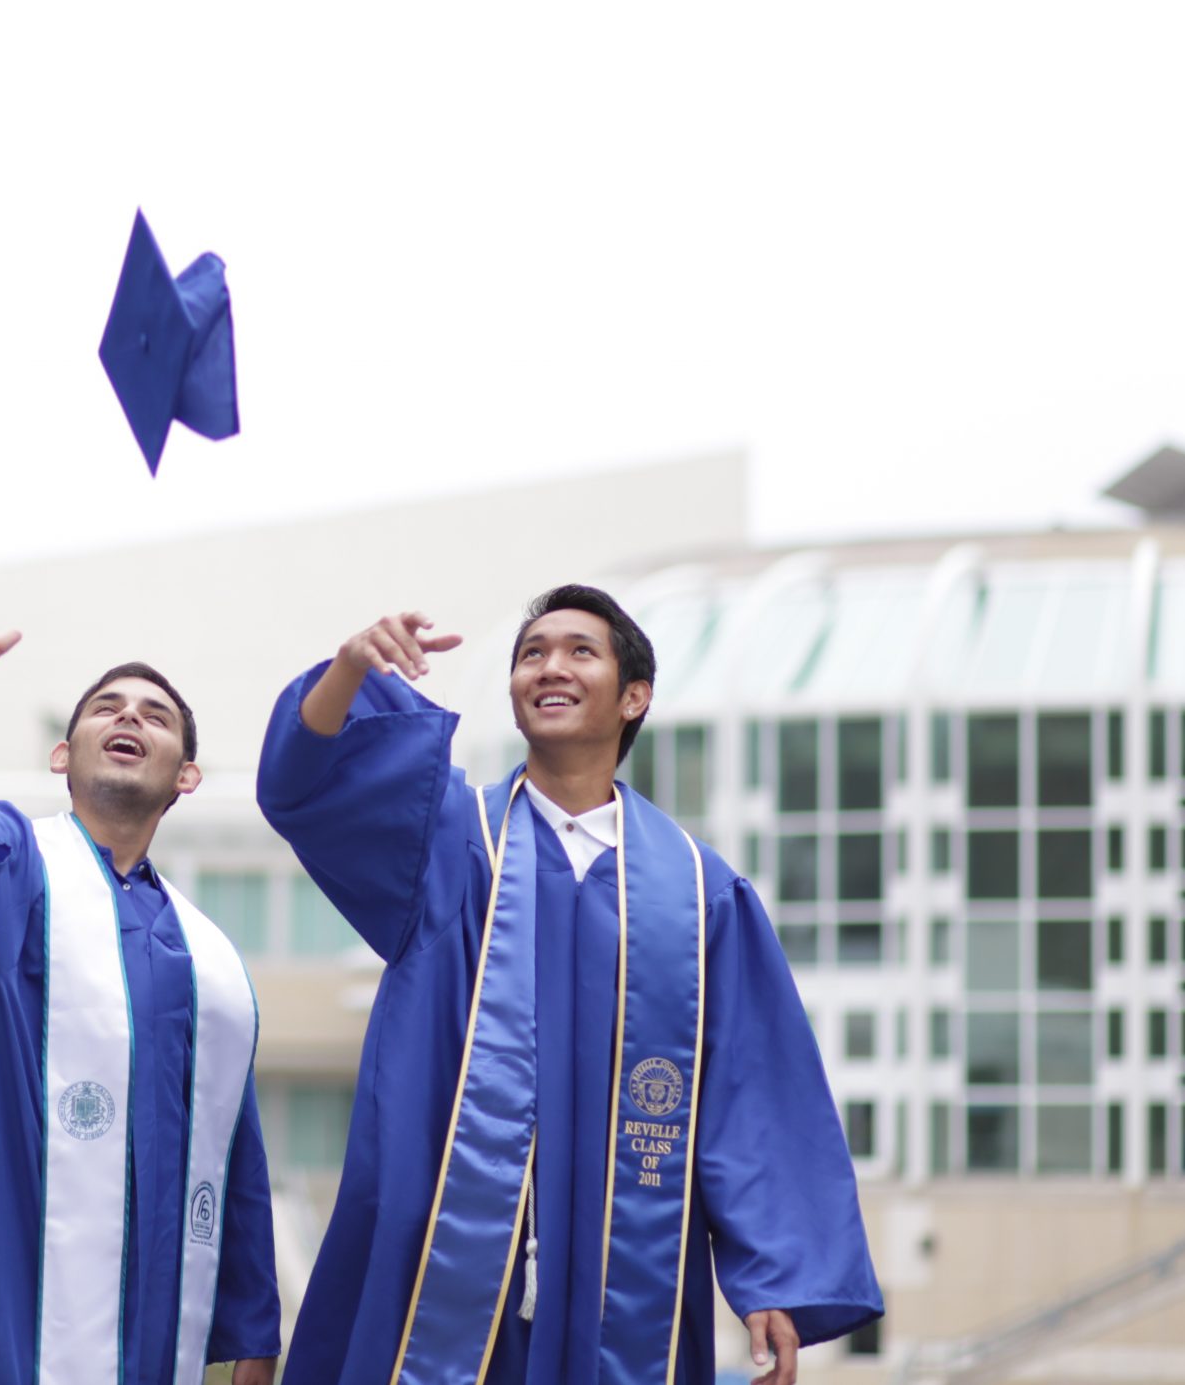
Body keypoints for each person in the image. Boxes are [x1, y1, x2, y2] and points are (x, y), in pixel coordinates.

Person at [257, 583, 881, 1385]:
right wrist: (348, 669)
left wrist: (776, 1279)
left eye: (579, 650)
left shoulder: (697, 893)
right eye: (531, 653)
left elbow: (754, 1087)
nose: (549, 666)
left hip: (625, 1271)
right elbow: (304, 787)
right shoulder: (446, 841)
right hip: (440, 1262)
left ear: (633, 697)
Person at [0, 579, 280, 1385]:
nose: (129, 716)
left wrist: (255, 1349)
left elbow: (230, 1169)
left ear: (187, 776)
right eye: (106, 707)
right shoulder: (9, 872)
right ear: (61, 756)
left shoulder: (210, 966)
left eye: (155, 715)